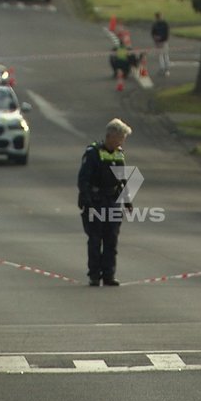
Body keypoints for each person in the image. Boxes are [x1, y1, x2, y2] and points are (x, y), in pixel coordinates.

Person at [77, 118, 133, 287]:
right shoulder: (93, 153)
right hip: (96, 201)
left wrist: (127, 200)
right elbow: (83, 179)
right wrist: (86, 200)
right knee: (95, 239)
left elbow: (122, 179)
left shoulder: (118, 153)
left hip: (113, 200)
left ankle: (109, 274)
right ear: (111, 137)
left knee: (111, 239)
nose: (122, 141)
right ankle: (94, 275)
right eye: (121, 138)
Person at [151, 12, 170, 76]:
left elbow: (166, 33)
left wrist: (160, 38)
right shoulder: (156, 24)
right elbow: (153, 32)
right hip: (158, 42)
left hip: (163, 42)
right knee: (160, 55)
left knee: (165, 55)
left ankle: (167, 69)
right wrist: (155, 38)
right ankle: (162, 68)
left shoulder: (164, 24)